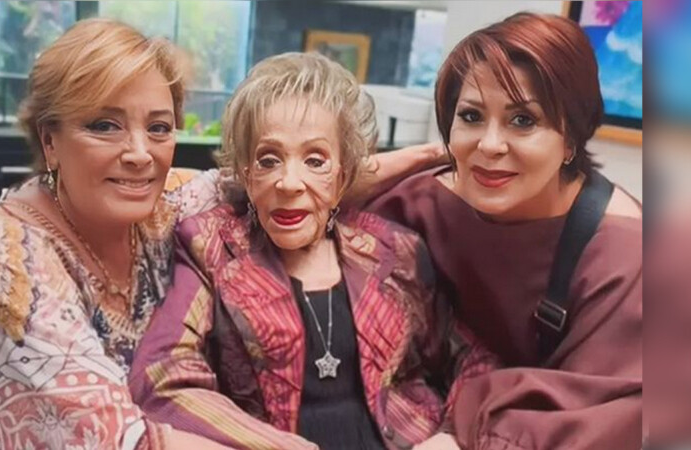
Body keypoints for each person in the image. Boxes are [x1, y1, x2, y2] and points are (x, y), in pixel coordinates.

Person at [129, 52, 500, 450]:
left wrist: (452, 434)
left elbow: (472, 357)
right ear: (247, 174)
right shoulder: (210, 246)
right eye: (269, 160)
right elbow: (162, 379)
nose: (289, 183)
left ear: (343, 176)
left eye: (315, 160)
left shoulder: (395, 251)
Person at [0, 18, 231, 449]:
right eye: (104, 126)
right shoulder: (2, 251)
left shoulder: (163, 209)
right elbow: (126, 440)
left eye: (158, 128)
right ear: (50, 142)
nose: (140, 154)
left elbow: (266, 182)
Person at [368, 12, 642, 449]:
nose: (490, 145)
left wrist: (462, 434)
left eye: (523, 121)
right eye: (471, 116)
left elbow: (605, 414)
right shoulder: (418, 205)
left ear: (571, 138)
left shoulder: (629, 257)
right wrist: (358, 177)